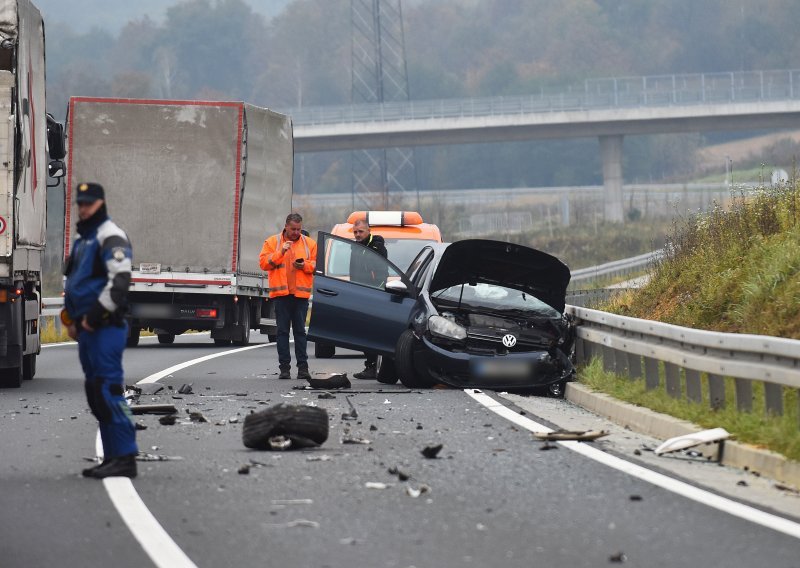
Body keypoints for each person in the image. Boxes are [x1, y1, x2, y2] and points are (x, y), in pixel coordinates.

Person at [62, 182, 137, 479]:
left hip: (105, 327)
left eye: (89, 203)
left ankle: (126, 456)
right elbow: (76, 282)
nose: (83, 208)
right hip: (85, 328)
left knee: (109, 390)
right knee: (95, 394)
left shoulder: (110, 235)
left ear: (101, 204)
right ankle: (111, 457)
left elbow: (120, 282)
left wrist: (92, 318)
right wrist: (71, 319)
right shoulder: (84, 239)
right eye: (80, 203)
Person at [259, 213, 317, 380]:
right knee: (282, 332)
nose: (296, 232)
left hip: (300, 295)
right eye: (293, 229)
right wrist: (280, 252)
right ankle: (284, 368)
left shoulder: (309, 244)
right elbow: (263, 263)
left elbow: (316, 264)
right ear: (286, 227)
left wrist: (303, 265)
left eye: (299, 229)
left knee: (300, 332)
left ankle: (303, 368)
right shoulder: (272, 242)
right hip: (281, 295)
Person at [350, 219, 388, 380]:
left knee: (373, 333)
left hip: (373, 296)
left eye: (361, 231)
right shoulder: (355, 248)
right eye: (355, 232)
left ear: (368, 231)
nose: (358, 235)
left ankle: (376, 366)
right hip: (359, 295)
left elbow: (382, 274)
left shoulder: (377, 247)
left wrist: (375, 293)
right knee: (363, 333)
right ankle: (370, 365)